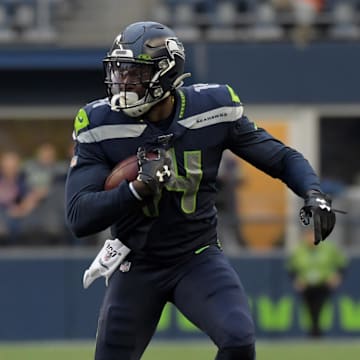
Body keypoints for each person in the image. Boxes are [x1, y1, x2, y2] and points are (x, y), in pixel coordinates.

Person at [65, 21, 337, 360]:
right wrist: (136, 190)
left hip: (196, 256)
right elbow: (79, 216)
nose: (123, 82)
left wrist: (312, 192)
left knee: (238, 340)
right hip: (135, 261)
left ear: (164, 74)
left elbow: (280, 158)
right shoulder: (98, 122)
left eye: (135, 73)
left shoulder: (212, 107)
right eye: (120, 71)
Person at [287, 228, 348, 338]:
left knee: (320, 308)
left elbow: (342, 264)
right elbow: (291, 268)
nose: (311, 239)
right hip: (306, 286)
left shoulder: (329, 248)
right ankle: (312, 332)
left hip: (323, 284)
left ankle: (318, 332)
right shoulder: (299, 250)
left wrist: (337, 276)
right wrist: (296, 280)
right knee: (309, 310)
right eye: (309, 236)